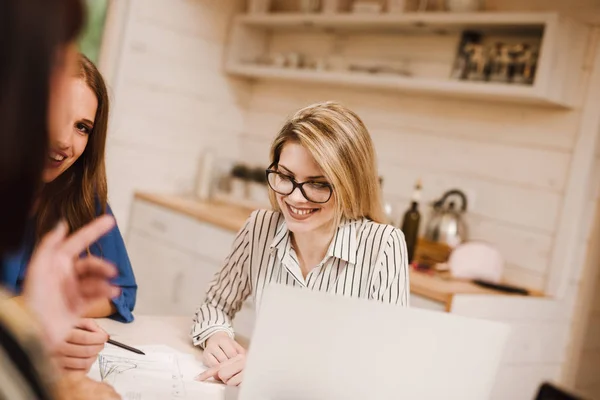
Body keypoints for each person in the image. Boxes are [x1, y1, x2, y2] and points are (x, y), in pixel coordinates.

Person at [193, 102, 410, 386]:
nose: (295, 198)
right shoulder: (260, 228)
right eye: (285, 177)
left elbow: (385, 358)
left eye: (318, 184)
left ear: (350, 185)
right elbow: (215, 305)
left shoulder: (383, 244)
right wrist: (217, 336)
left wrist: (275, 366)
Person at [0, 0, 121, 398]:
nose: (63, 140)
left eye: (83, 126)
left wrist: (41, 319)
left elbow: (120, 292)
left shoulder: (82, 197)